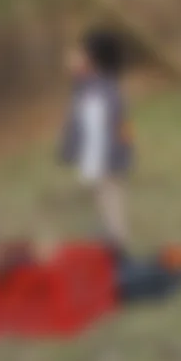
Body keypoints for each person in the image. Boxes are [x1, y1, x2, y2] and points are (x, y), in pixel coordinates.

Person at [58, 28, 133, 251]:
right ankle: (103, 246)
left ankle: (118, 250)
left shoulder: (104, 92)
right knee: (97, 209)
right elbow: (76, 127)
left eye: (78, 53)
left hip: (104, 164)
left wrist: (113, 162)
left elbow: (113, 130)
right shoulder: (86, 88)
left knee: (111, 209)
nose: (72, 58)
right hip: (93, 163)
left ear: (92, 59)